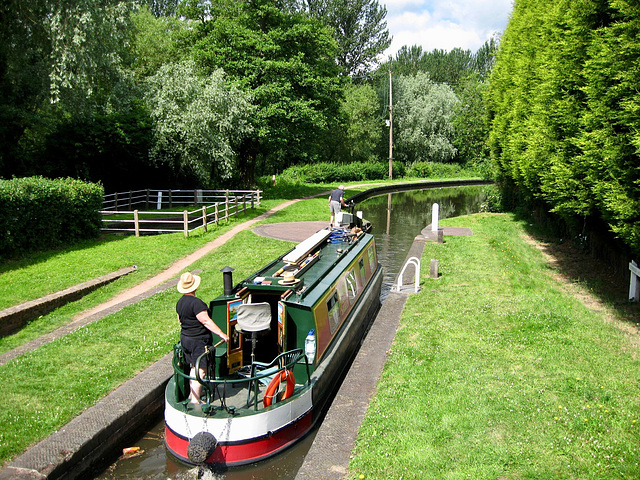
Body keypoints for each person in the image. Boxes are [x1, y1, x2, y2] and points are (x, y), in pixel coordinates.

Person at [176, 271, 229, 404]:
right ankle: (195, 400)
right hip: (198, 341)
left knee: (194, 367)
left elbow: (180, 320)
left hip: (185, 339)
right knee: (201, 370)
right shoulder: (197, 303)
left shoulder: (180, 303)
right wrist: (221, 334)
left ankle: (191, 395)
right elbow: (205, 321)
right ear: (194, 287)